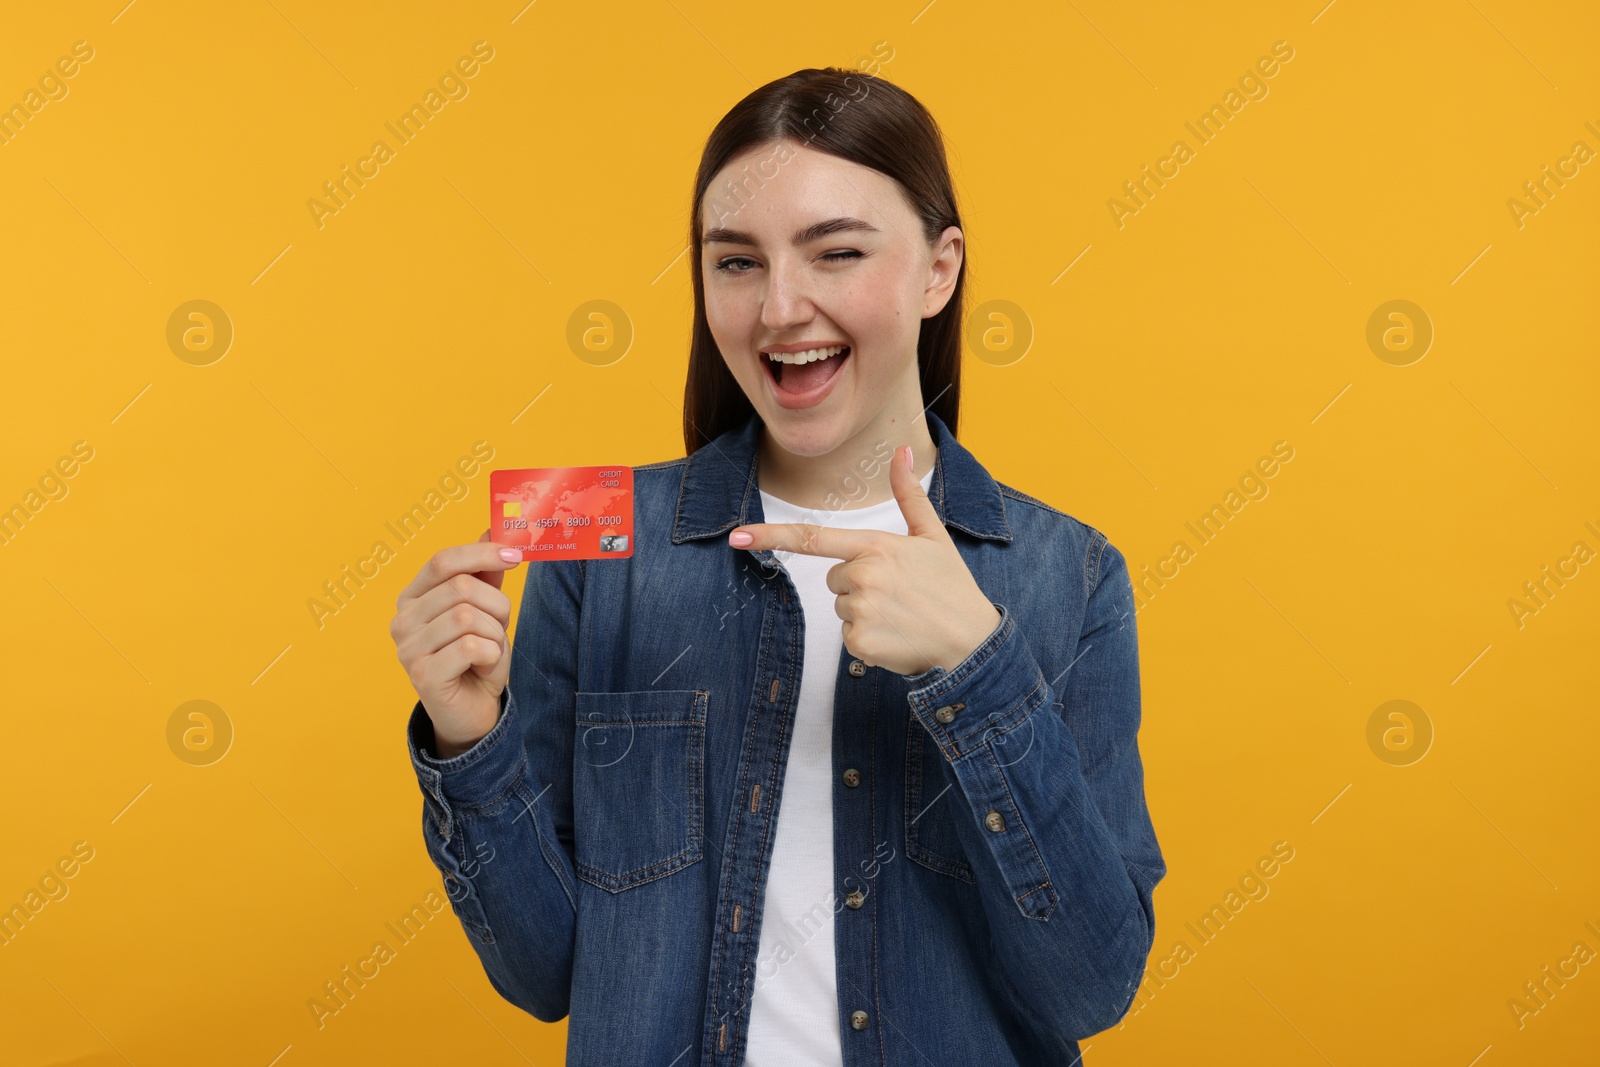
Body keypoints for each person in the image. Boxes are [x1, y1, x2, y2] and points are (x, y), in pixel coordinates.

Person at [389, 66, 1164, 1066]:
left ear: (940, 268)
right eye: (736, 263)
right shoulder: (601, 555)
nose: (779, 308)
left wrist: (980, 669)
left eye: (836, 251)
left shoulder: (1071, 575)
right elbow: (544, 972)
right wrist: (467, 732)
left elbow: (1093, 985)